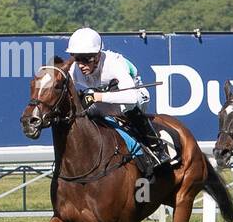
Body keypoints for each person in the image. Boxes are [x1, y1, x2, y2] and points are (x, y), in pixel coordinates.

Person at [68, 27, 172, 174]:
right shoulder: (75, 69)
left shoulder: (114, 64)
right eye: (77, 58)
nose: (81, 65)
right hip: (104, 102)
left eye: (86, 59)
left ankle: (157, 148)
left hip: (134, 97)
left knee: (127, 108)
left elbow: (131, 97)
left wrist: (97, 97)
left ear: (97, 56)